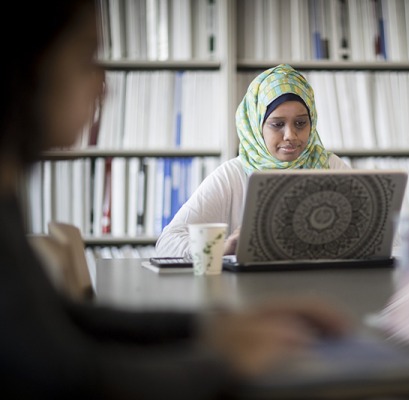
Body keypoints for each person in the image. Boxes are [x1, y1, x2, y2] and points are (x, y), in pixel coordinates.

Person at [0, 1, 349, 397]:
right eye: (86, 57)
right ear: (24, 66)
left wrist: (206, 328)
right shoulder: (233, 174)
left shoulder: (7, 203)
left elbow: (68, 323)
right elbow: (68, 378)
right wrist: (221, 361)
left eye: (301, 123)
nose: (104, 86)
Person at [155, 64, 351, 257]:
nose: (291, 135)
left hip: (319, 286)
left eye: (301, 123)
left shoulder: (331, 167)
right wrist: (221, 248)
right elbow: (167, 242)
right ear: (256, 126)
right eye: (277, 124)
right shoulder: (232, 175)